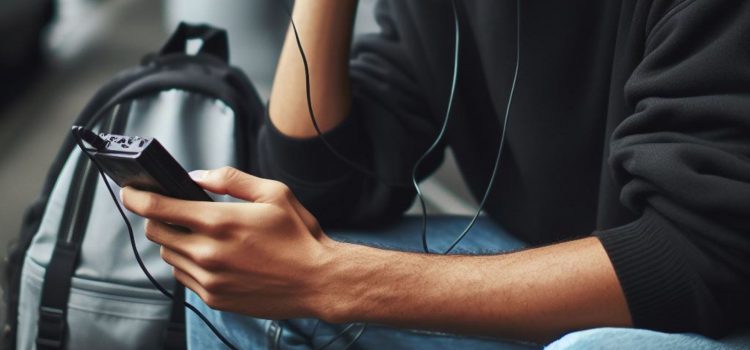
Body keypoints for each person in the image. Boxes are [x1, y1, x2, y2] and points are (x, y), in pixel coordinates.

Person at [121, 0, 750, 348]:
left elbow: (696, 258)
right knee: (242, 288)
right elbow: (323, 185)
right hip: (558, 269)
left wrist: (330, 280)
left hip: (715, 314)